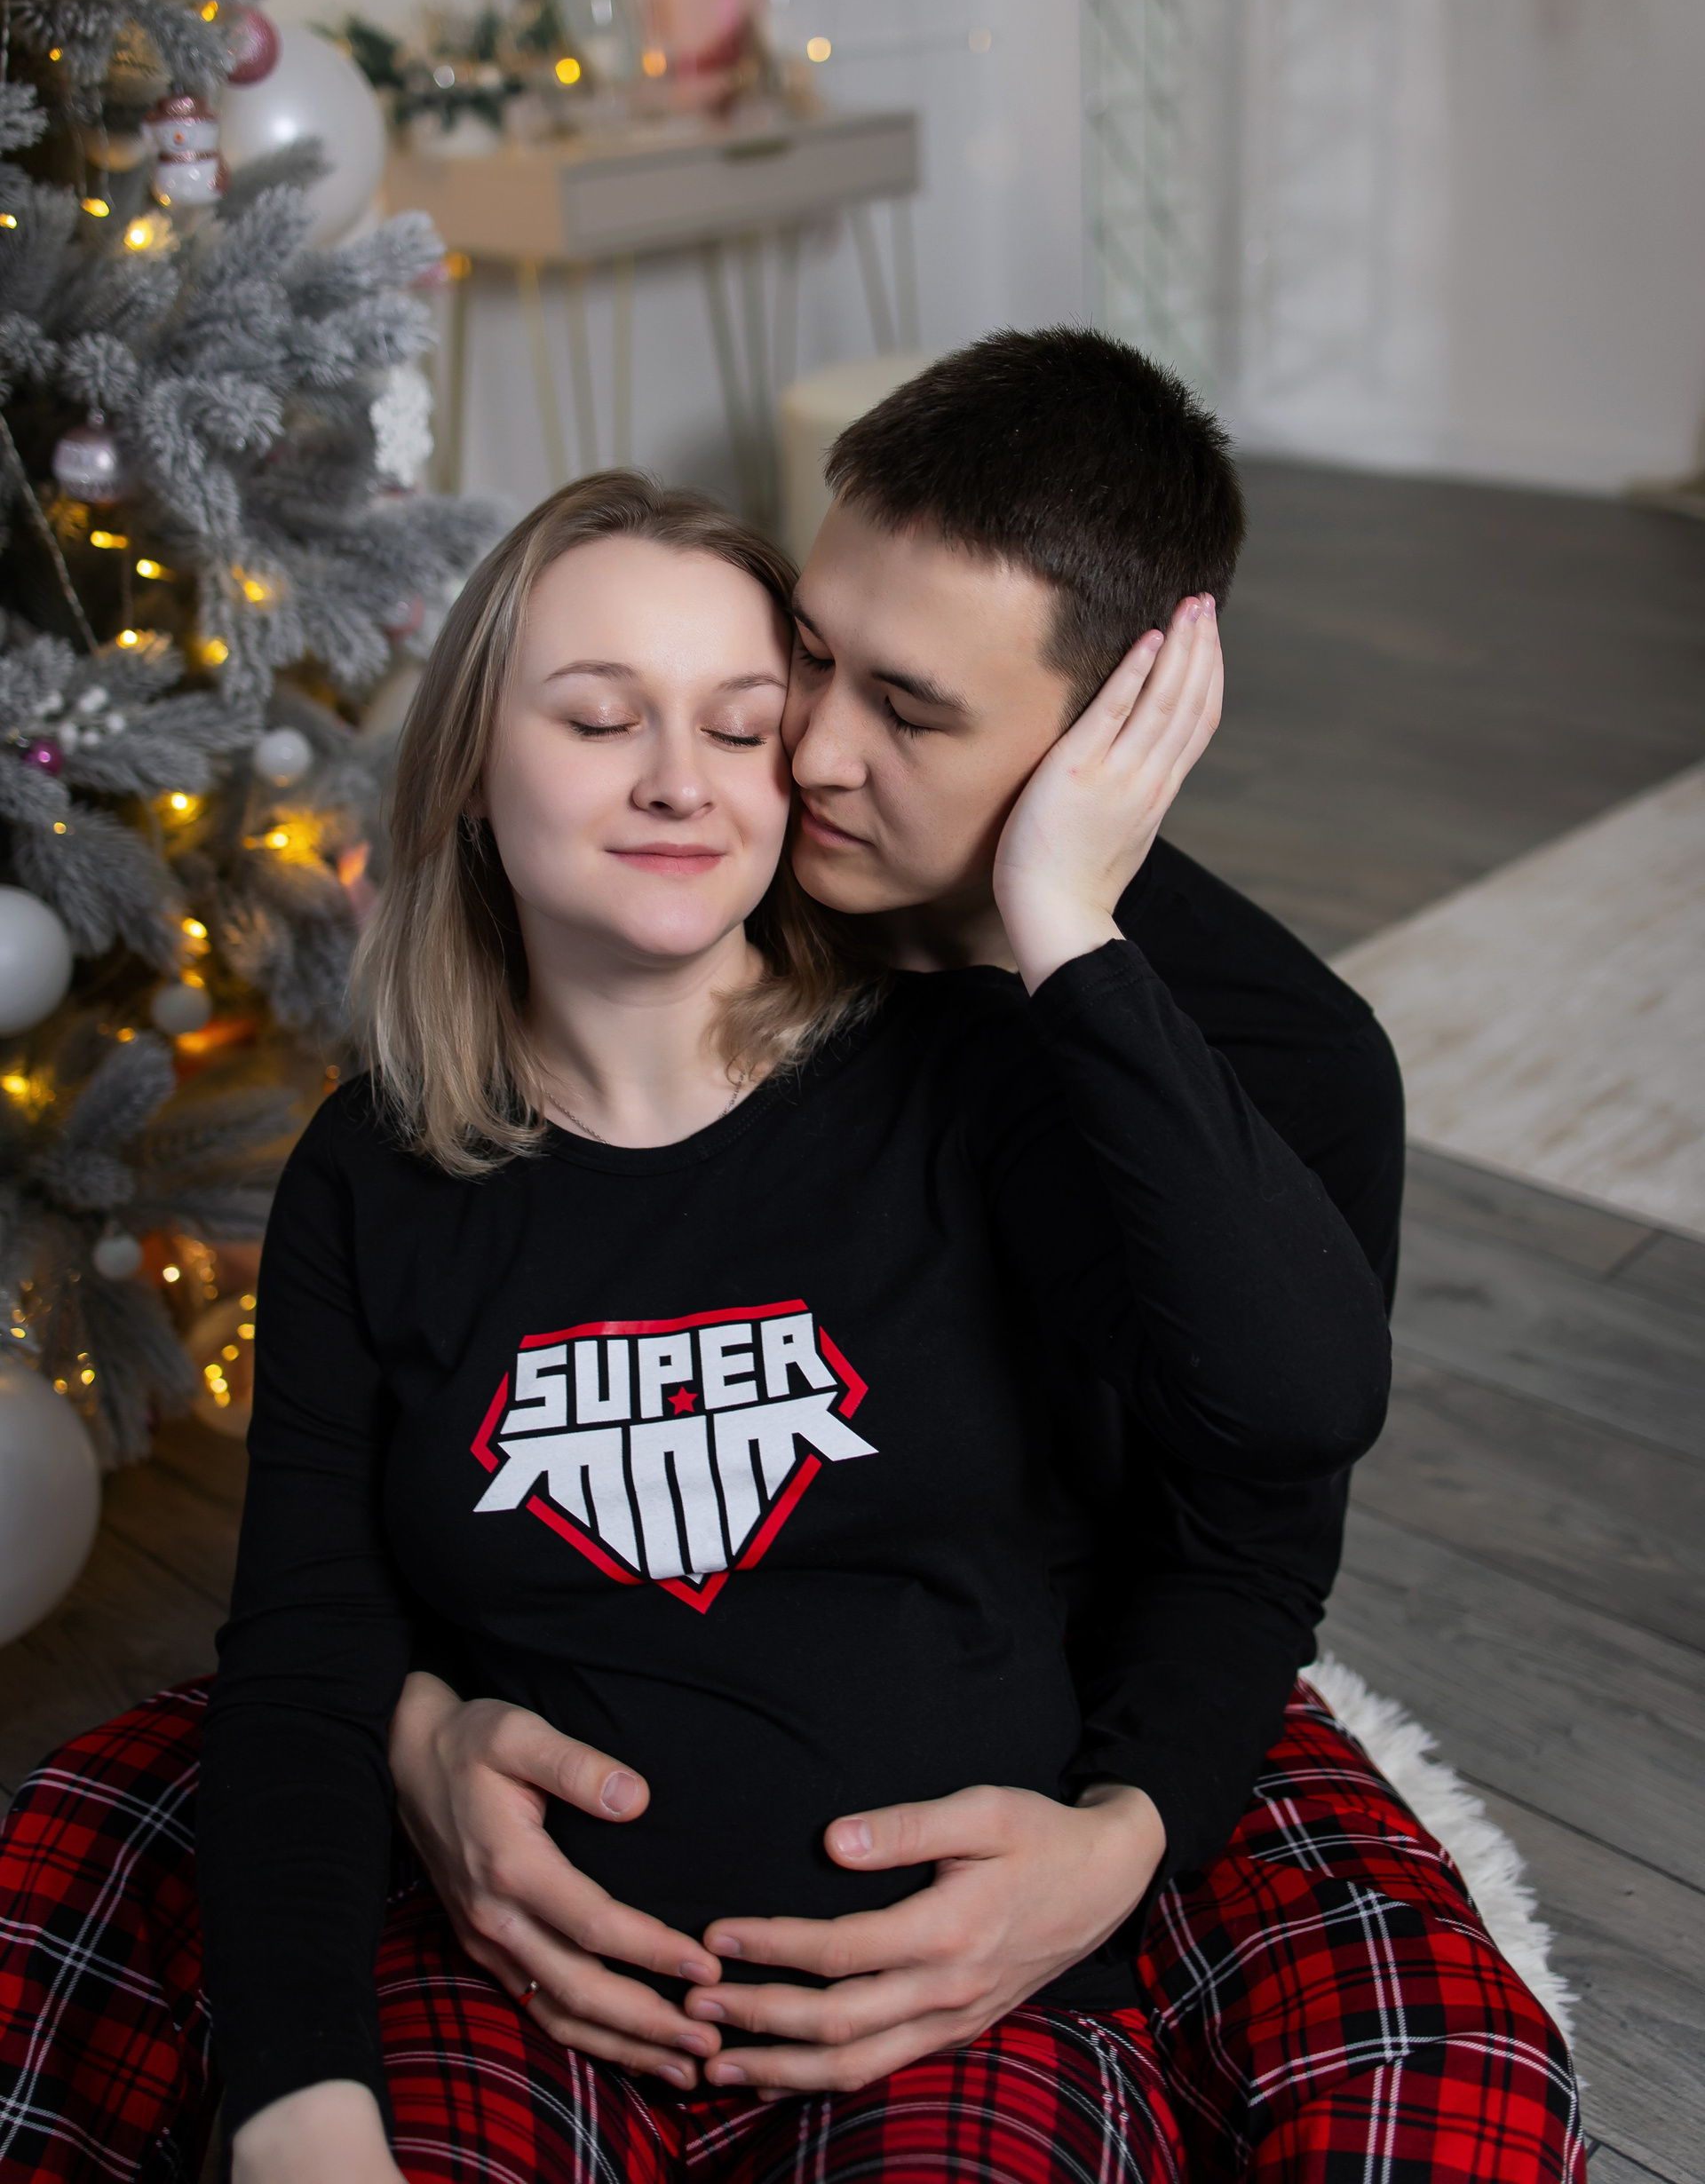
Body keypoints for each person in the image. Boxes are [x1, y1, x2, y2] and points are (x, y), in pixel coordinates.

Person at [0, 461, 1391, 2183]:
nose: (678, 778)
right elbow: (308, 1648)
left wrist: (1065, 921)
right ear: (472, 770)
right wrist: (302, 2101)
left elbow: (1293, 1407)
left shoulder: (972, 1087)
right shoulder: (374, 1174)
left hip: (954, 2021)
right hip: (523, 2002)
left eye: (741, 728)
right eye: (601, 720)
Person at [378, 335, 1584, 2174]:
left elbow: (1253, 1541)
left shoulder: (1287, 1064)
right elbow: (429, 1370)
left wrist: (1120, 1842)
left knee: (1445, 2088)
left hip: (1055, 1709)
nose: (813, 750)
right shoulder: (691, 889)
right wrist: (418, 1730)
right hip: (645, 1658)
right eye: (811, 656)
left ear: (1114, 731)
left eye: (914, 711)